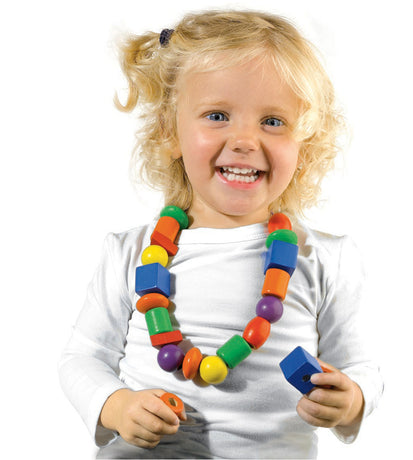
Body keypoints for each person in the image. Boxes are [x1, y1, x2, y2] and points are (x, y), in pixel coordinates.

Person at [58, 10, 383, 459]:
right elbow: (83, 358)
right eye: (217, 115)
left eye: (273, 121)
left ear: (304, 144)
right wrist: (116, 405)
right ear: (170, 131)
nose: (245, 140)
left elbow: (361, 367)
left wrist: (352, 400)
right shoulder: (130, 253)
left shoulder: (325, 258)